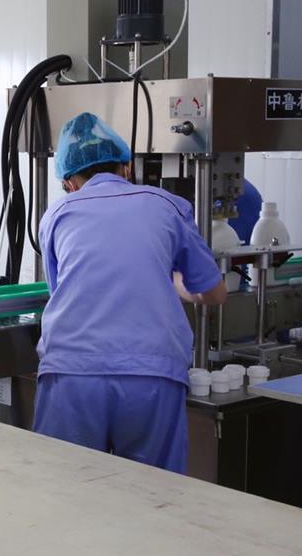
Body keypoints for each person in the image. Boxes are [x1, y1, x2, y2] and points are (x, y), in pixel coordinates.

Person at [33, 112, 228, 473]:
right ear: (126, 167)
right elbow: (213, 292)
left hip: (73, 372)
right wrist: (173, 283)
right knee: (152, 492)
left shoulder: (57, 214)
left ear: (68, 182)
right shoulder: (168, 205)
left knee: (62, 489)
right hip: (151, 374)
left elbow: (62, 290)